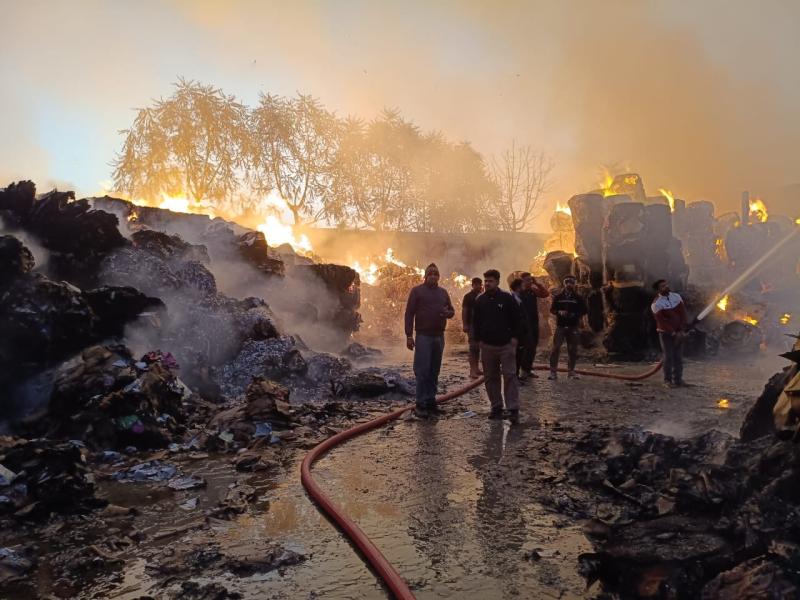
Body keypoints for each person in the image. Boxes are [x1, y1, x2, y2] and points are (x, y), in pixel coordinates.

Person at [472, 269, 526, 424]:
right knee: (491, 377)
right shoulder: (480, 300)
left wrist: (515, 339)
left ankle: (513, 409)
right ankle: (496, 407)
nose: (487, 283)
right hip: (487, 346)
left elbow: (517, 319)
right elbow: (476, 322)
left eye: (490, 281)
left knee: (510, 376)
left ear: (497, 282)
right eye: (486, 281)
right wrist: (479, 340)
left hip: (505, 345)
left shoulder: (507, 298)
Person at [404, 263, 455, 417]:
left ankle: (431, 402)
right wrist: (409, 335)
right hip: (423, 336)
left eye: (435, 274)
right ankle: (420, 404)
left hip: (439, 336)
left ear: (438, 277)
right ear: (425, 276)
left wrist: (447, 313)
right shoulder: (417, 291)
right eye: (430, 274)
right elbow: (409, 313)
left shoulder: (443, 292)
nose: (433, 276)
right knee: (422, 371)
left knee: (434, 370)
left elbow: (451, 311)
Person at [651, 278, 689, 388]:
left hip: (679, 332)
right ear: (658, 290)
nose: (666, 287)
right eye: (663, 286)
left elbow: (683, 314)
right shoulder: (656, 304)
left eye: (666, 284)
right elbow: (661, 322)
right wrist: (673, 333)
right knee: (668, 357)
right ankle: (667, 381)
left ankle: (678, 380)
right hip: (665, 334)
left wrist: (681, 330)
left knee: (678, 357)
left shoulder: (676, 297)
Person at [548, 275, 587, 380]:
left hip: (573, 326)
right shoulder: (558, 297)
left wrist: (575, 314)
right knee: (556, 348)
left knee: (572, 349)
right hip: (560, 326)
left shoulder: (578, 298)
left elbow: (584, 310)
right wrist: (559, 312)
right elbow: (552, 309)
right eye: (567, 282)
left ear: (574, 284)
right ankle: (553, 372)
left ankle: (571, 371)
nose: (569, 284)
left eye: (571, 282)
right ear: (564, 283)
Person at [518, 272, 550, 379]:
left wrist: (537, 283)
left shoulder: (532, 290)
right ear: (522, 281)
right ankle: (521, 370)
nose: (530, 282)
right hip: (523, 324)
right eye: (527, 280)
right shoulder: (519, 293)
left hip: (533, 322)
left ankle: (527, 369)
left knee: (533, 346)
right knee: (526, 347)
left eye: (531, 279)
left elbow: (545, 294)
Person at [462, 277, 484, 379]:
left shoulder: (483, 296)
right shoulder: (468, 297)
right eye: (476, 284)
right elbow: (465, 310)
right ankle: (472, 370)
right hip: (472, 325)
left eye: (479, 284)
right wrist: (465, 324)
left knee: (478, 347)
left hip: (481, 325)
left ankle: (477, 369)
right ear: (472, 285)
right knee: (473, 348)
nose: (478, 286)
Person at [509, 277, 530, 381]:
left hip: (521, 332)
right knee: (515, 355)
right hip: (515, 333)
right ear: (518, 287)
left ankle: (516, 376)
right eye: (522, 285)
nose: (524, 287)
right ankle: (514, 377)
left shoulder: (519, 298)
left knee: (520, 354)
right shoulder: (511, 299)